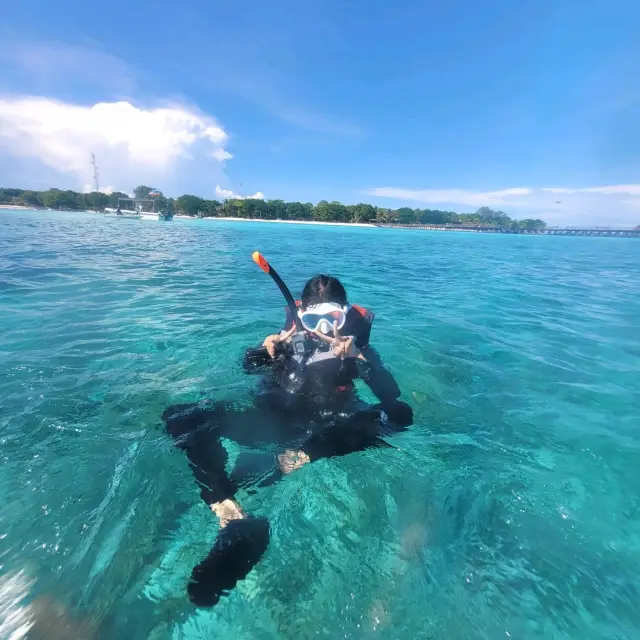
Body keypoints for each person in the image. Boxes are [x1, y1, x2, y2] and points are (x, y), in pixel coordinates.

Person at [162, 272, 413, 608]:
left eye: (333, 318)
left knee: (399, 415)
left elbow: (390, 394)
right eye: (314, 319)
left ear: (345, 313)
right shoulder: (288, 341)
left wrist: (359, 358)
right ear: (301, 316)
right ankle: (229, 513)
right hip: (269, 418)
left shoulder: (357, 350)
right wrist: (261, 350)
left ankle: (298, 459)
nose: (324, 328)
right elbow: (248, 367)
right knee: (182, 416)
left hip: (321, 430)